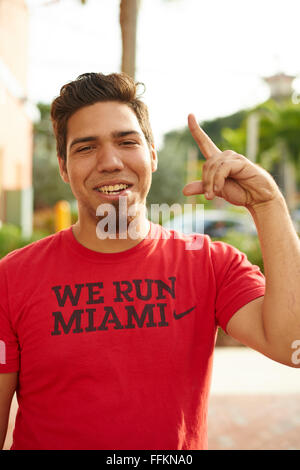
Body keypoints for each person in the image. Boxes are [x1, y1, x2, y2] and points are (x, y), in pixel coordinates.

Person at [0, 72, 299, 451]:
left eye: (126, 141)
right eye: (86, 148)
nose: (110, 162)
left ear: (152, 155)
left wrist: (268, 202)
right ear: (63, 167)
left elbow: (294, 345)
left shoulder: (210, 263)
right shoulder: (12, 278)